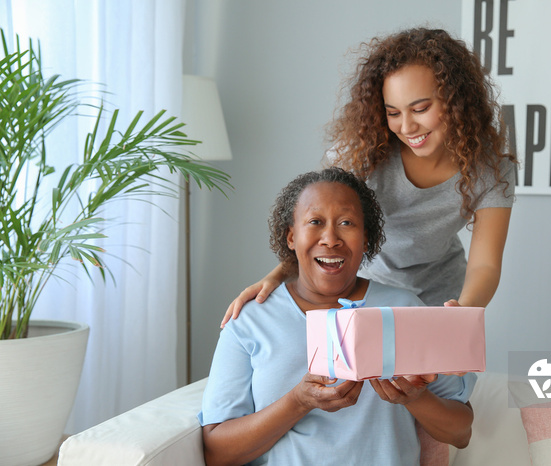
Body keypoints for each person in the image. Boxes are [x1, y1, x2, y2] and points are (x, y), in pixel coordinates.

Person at [222, 27, 516, 324]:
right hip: (364, 291)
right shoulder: (360, 154)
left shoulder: (492, 170)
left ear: (457, 102)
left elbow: (485, 265)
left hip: (442, 295)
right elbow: (319, 229)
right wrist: (276, 277)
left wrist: (463, 312)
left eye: (420, 108)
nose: (407, 127)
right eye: (394, 113)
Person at [198, 168, 475, 466]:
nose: (330, 239)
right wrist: (298, 401)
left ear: (366, 240)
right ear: (291, 237)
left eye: (346, 223)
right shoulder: (250, 320)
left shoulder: (404, 308)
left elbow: (461, 432)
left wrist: (415, 398)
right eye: (315, 222)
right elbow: (217, 453)